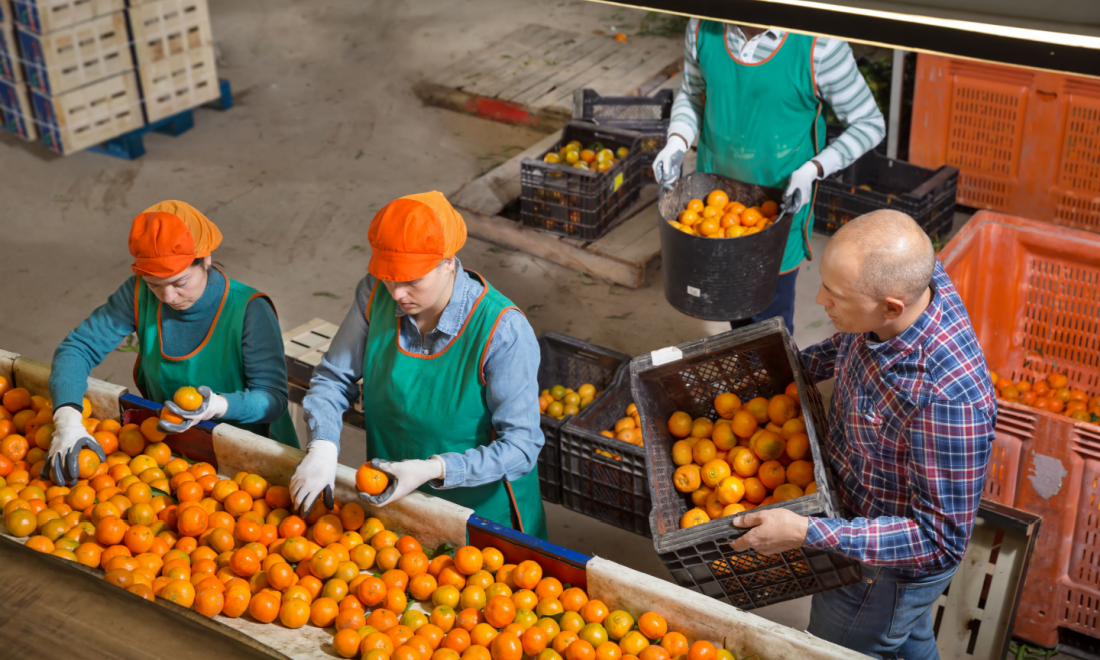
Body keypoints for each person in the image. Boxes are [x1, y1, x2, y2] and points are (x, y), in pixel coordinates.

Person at [729, 210, 996, 659]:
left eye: (834, 296)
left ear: (892, 306)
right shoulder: (914, 286)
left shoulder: (947, 401)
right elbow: (847, 343)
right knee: (907, 639)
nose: (818, 300)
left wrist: (806, 532)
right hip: (863, 508)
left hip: (882, 572)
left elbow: (939, 539)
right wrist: (786, 372)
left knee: (837, 648)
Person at [289, 191, 548, 539]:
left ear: (448, 263)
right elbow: (334, 378)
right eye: (389, 277)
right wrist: (322, 446)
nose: (397, 293)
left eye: (412, 280)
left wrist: (434, 469)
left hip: (481, 515)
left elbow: (521, 447)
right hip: (394, 498)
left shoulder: (502, 330)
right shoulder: (374, 293)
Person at [653, 21, 886, 331]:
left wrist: (814, 168)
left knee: (768, 325)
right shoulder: (702, 27)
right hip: (714, 206)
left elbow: (869, 124)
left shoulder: (818, 46)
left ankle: (773, 379)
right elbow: (692, 93)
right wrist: (676, 142)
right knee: (733, 305)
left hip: (777, 212)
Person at [45, 200, 297, 485]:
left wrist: (217, 406)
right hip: (173, 449)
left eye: (180, 283)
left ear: (206, 260)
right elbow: (78, 348)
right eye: (155, 285)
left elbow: (272, 400)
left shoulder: (249, 310)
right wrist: (67, 421)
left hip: (251, 460)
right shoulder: (139, 292)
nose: (168, 298)